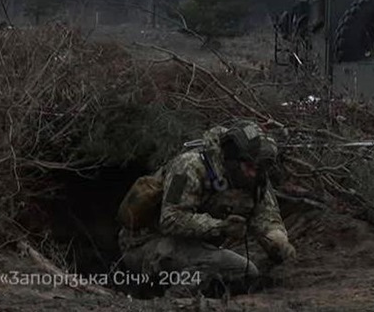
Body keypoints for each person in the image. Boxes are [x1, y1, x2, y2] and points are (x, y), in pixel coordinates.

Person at [116, 120, 296, 297]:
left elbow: (266, 217)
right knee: (238, 267)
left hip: (191, 246)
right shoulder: (189, 166)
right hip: (146, 245)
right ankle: (170, 300)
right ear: (232, 158)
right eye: (249, 167)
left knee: (245, 274)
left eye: (259, 168)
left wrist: (279, 243)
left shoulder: (255, 177)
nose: (254, 173)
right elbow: (171, 219)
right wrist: (220, 227)